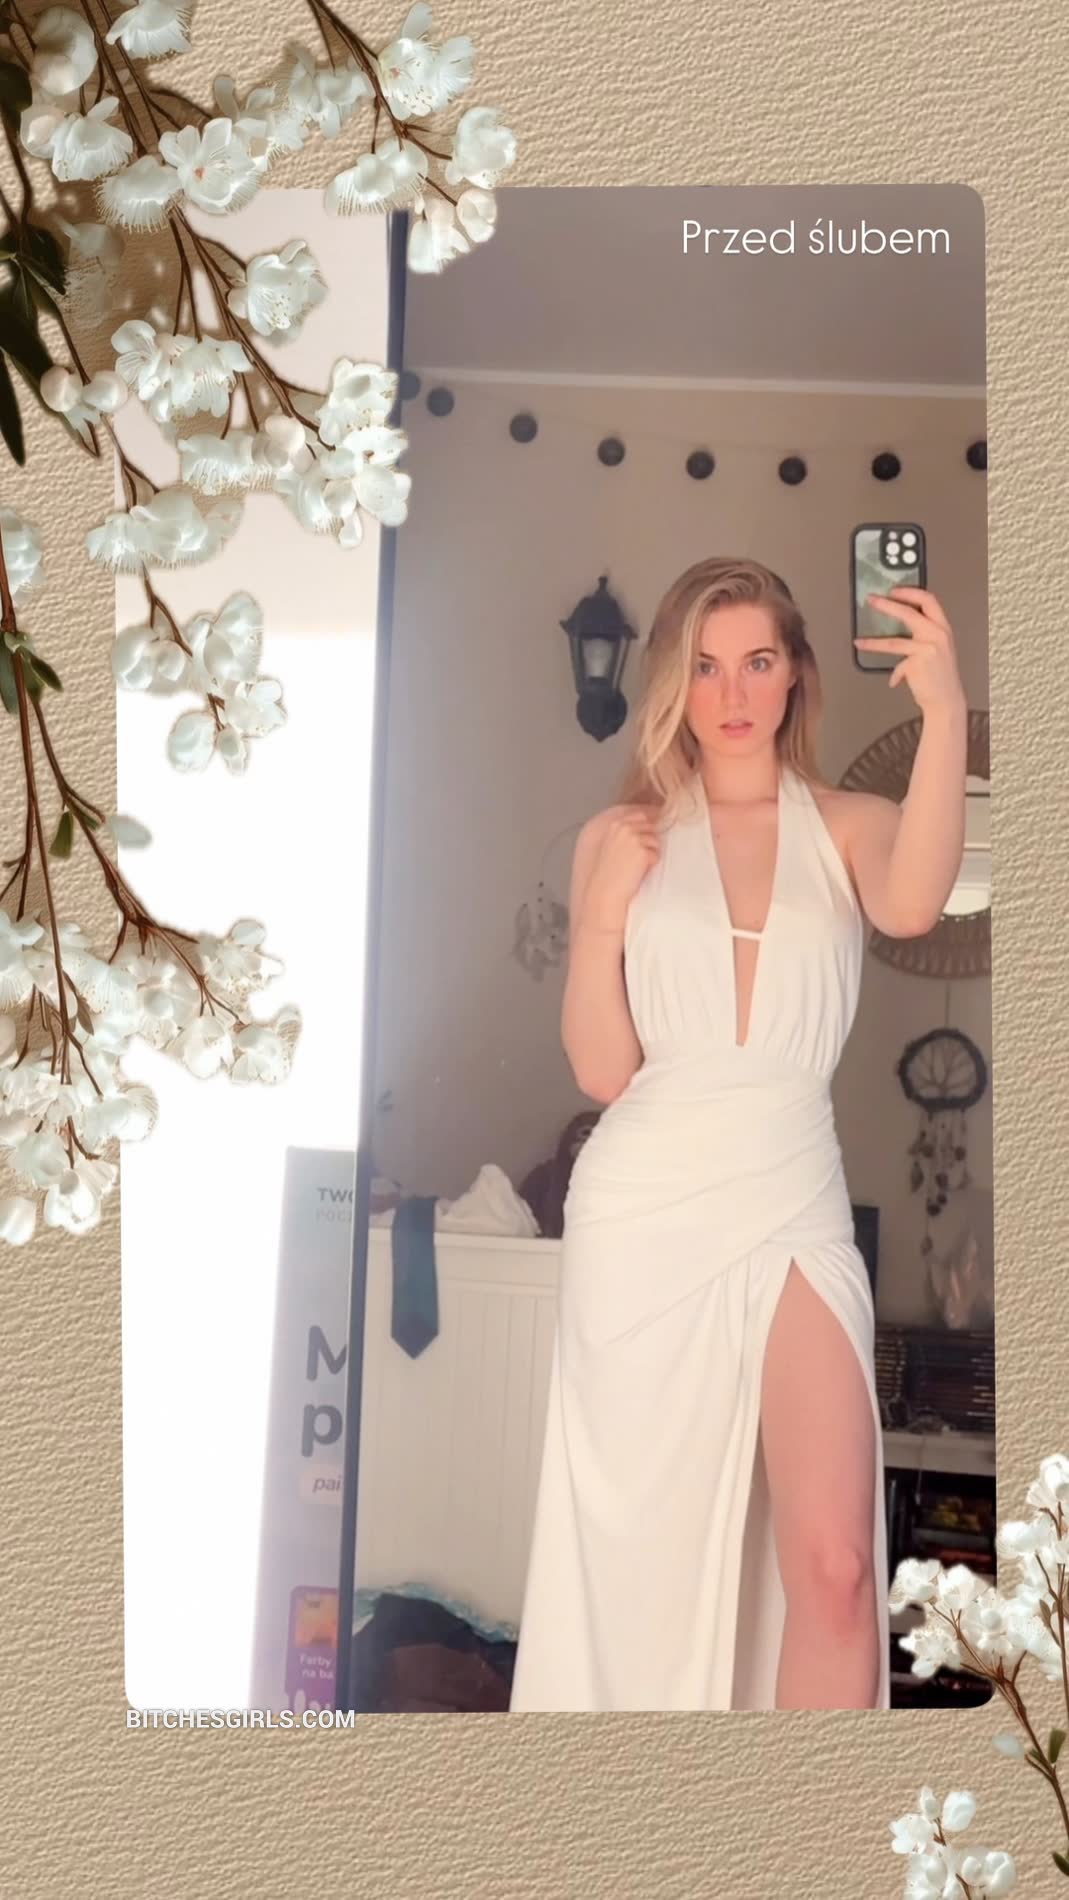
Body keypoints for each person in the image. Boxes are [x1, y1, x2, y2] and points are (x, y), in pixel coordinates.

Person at [509, 555, 968, 1712]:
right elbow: (602, 1069)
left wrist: (945, 709)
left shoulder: (851, 824)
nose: (732, 692)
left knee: (837, 1569)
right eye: (707, 666)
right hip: (642, 1220)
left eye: (757, 660)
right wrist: (600, 915)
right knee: (648, 1576)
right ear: (675, 680)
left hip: (792, 1199)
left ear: (796, 672)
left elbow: (914, 902)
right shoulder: (620, 836)